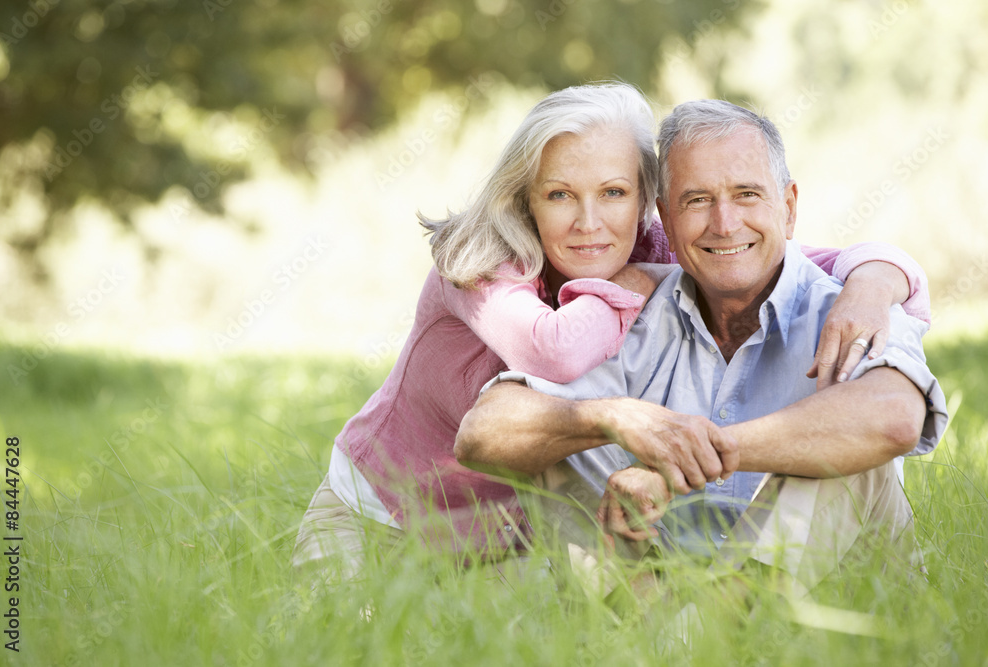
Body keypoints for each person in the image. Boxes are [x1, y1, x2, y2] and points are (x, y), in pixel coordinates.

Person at [292, 84, 932, 585]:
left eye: (615, 191)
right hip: (386, 511)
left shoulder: (665, 244)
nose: (589, 222)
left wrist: (874, 281)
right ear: (526, 200)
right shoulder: (482, 263)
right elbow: (556, 350)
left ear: (645, 201)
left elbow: (769, 254)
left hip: (509, 535)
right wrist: (628, 296)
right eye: (561, 195)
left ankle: (711, 626)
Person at [454, 99, 948, 595]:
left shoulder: (854, 308)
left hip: (835, 605)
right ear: (666, 221)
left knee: (839, 450)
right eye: (697, 201)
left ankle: (710, 634)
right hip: (665, 595)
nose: (725, 223)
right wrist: (613, 418)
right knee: (563, 440)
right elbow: (481, 433)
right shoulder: (635, 308)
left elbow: (895, 417)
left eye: (747, 194)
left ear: (789, 207)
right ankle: (686, 632)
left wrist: (685, 461)